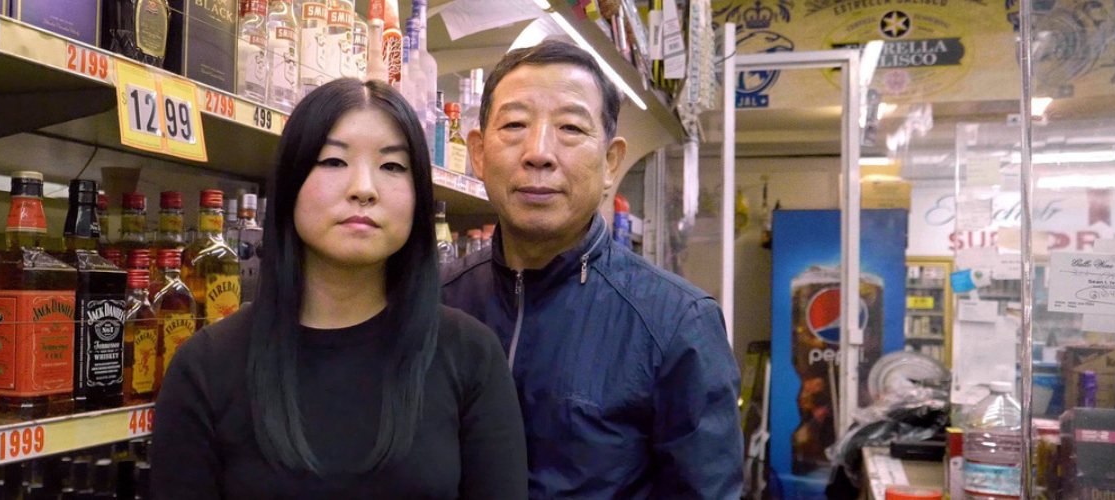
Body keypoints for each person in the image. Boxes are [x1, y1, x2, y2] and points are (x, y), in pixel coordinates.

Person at [151, 78, 527, 500]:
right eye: (333, 161)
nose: (363, 188)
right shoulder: (205, 367)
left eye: (392, 166)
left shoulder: (471, 356)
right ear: (290, 183)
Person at [442, 40, 744, 499]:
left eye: (570, 127)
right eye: (516, 124)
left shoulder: (676, 324)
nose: (539, 152)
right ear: (479, 154)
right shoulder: (436, 301)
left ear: (610, 162)